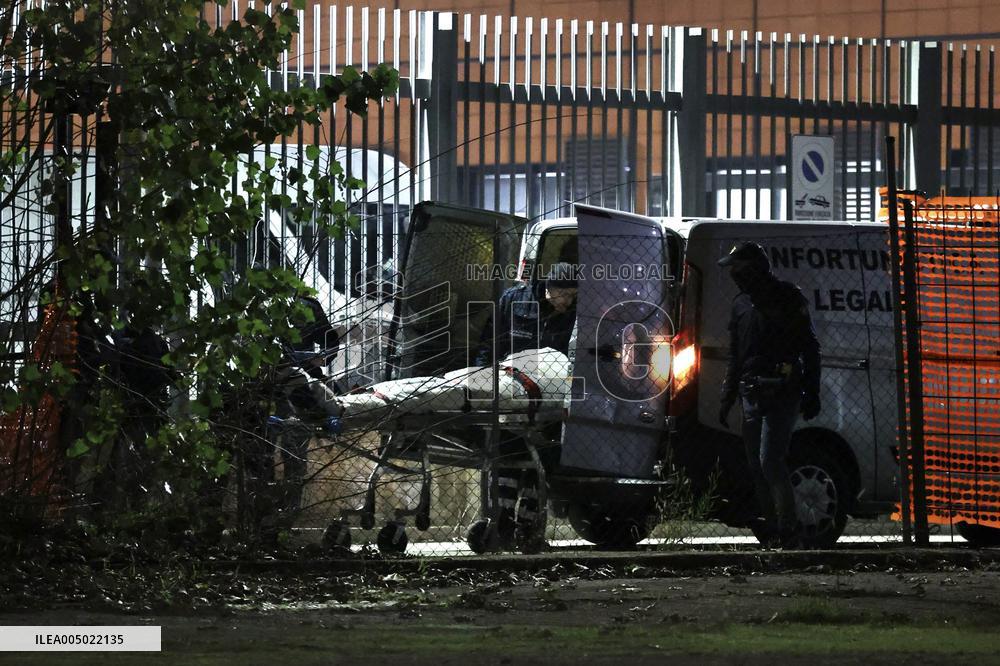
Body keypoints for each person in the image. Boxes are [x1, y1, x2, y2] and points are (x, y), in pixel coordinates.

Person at [717, 242, 821, 548]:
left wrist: (811, 390)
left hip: (781, 391)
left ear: (753, 269)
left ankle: (787, 532)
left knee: (770, 462)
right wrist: (728, 396)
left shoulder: (787, 296)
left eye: (738, 268)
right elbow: (736, 355)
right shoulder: (741, 304)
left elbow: (810, 346)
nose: (734, 275)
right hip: (752, 392)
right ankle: (773, 531)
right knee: (756, 465)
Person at [474, 262, 578, 551]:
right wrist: (483, 379)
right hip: (512, 391)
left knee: (541, 462)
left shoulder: (570, 315)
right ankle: (503, 523)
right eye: (565, 295)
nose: (568, 303)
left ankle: (526, 528)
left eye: (572, 296)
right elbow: (491, 341)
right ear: (550, 289)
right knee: (508, 457)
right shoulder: (514, 300)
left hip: (547, 395)